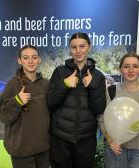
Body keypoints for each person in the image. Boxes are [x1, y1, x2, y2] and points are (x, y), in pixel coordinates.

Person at [47, 32, 106, 168]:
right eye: (74, 47)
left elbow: (99, 109)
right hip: (60, 139)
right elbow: (50, 103)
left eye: (82, 46)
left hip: (86, 140)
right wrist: (64, 85)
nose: (78, 51)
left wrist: (93, 86)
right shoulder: (60, 72)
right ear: (70, 49)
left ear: (89, 47)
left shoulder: (97, 76)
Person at [0, 45, 50, 168]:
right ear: (20, 60)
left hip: (43, 150)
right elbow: (2, 115)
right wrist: (17, 101)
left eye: (34, 57)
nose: (30, 61)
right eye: (26, 58)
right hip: (21, 152)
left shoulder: (45, 84)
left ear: (39, 60)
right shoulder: (13, 85)